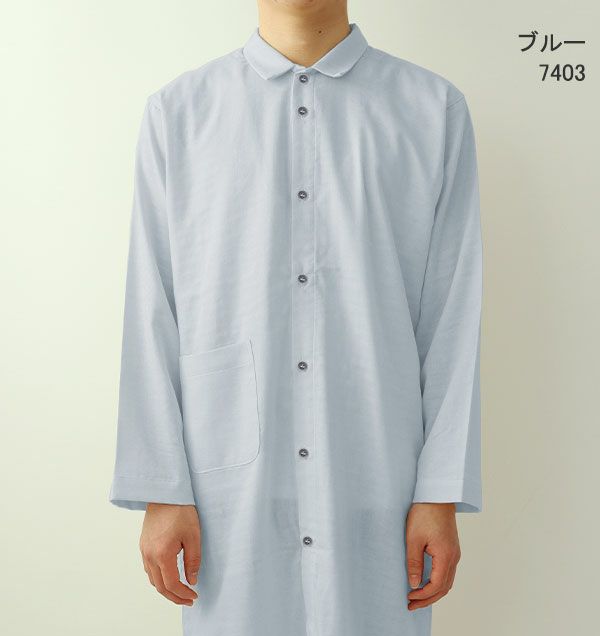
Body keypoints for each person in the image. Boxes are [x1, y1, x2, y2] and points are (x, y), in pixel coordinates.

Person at [109, 1, 483, 635]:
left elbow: (453, 315)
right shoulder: (180, 113)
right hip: (229, 491)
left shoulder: (431, 109)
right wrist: (162, 488)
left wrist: (438, 491)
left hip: (374, 476)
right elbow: (152, 305)